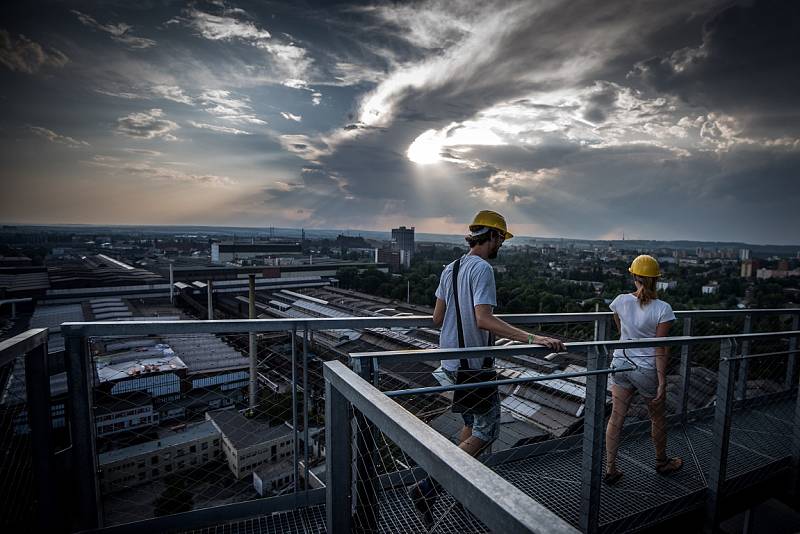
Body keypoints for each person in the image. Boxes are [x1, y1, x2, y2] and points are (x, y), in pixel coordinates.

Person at [408, 210, 565, 526]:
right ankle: (429, 486)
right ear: (491, 236)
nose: (501, 246)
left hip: (451, 362)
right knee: (488, 428)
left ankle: (460, 489)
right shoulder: (482, 270)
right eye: (501, 240)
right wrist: (533, 338)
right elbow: (484, 318)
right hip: (473, 367)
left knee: (471, 422)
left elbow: (437, 319)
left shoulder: (450, 268)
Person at [604, 254, 682, 485]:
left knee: (616, 417)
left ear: (634, 276)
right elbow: (659, 347)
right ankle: (661, 462)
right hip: (646, 368)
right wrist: (662, 381)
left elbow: (622, 332)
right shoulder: (663, 309)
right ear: (656, 280)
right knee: (657, 417)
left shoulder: (620, 301)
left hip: (620, 364)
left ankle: (611, 468)